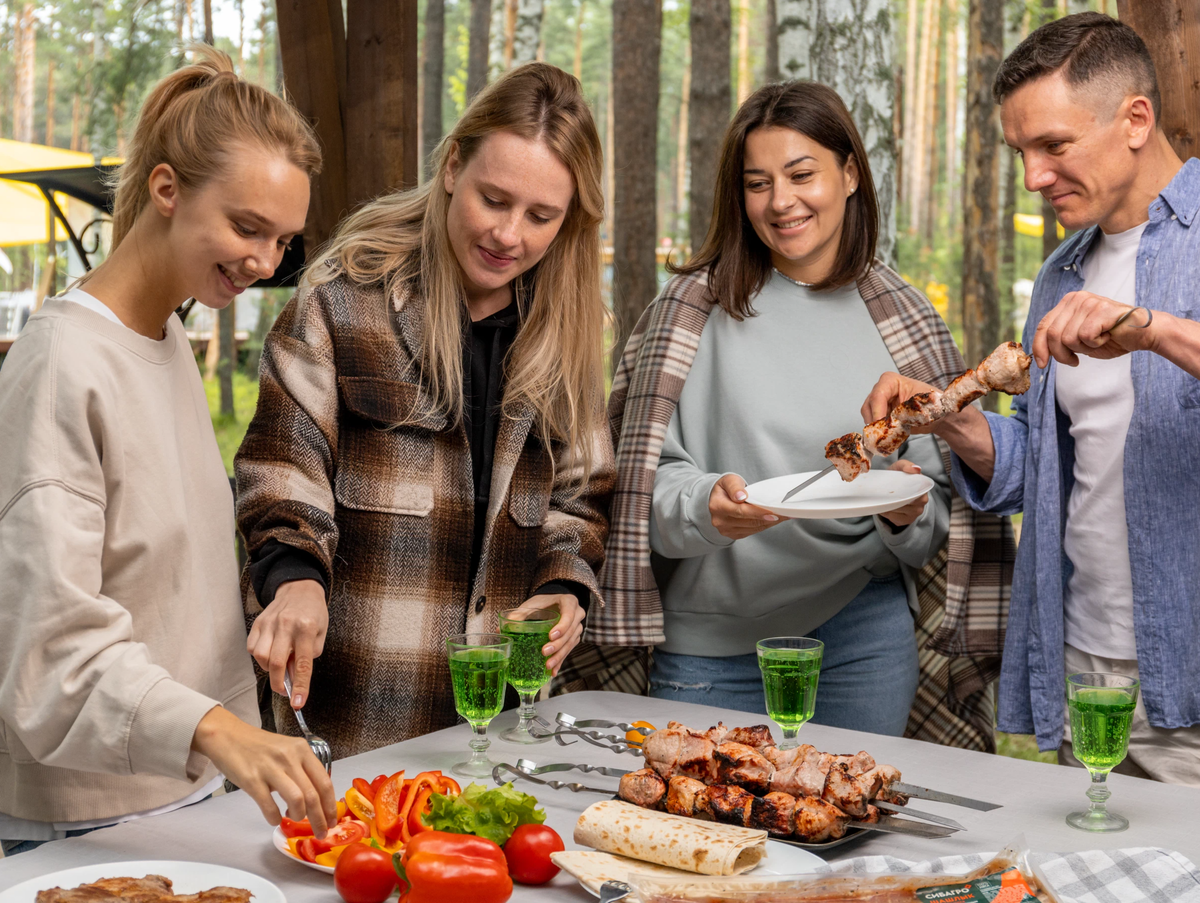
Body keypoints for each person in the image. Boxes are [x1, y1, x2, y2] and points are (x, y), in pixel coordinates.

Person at [588, 81, 1014, 743]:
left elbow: (930, 526)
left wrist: (905, 512)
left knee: (848, 840)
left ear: (849, 174)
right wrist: (706, 505)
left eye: (801, 174)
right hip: (712, 644)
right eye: (758, 182)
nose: (781, 201)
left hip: (862, 641)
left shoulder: (904, 318)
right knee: (704, 837)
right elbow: (639, 494)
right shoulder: (688, 314)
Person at [0, 47, 338, 856]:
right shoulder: (62, 364)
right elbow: (48, 651)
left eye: (282, 240)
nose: (263, 262)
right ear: (165, 189)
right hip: (82, 816)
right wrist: (219, 728)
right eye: (246, 226)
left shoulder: (167, 340)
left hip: (184, 794)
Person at [235, 62, 614, 759]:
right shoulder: (341, 302)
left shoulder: (566, 331)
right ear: (451, 168)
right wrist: (293, 580)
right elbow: (283, 468)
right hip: (355, 718)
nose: (509, 234)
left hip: (500, 731)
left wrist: (567, 587)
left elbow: (582, 496)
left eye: (540, 216)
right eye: (493, 199)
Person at [862, 13, 1200, 784]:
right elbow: (1036, 467)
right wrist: (954, 419)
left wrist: (1152, 329)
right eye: (1022, 152)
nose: (1033, 177)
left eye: (1054, 145)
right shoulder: (1062, 274)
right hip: (1082, 665)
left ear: (1135, 119)